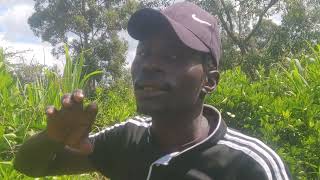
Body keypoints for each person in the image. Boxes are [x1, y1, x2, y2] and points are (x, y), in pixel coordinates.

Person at [14, 2, 292, 180]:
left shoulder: (250, 166)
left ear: (210, 80)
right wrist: (52, 137)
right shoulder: (127, 139)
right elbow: (29, 166)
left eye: (172, 57)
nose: (150, 65)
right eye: (144, 52)